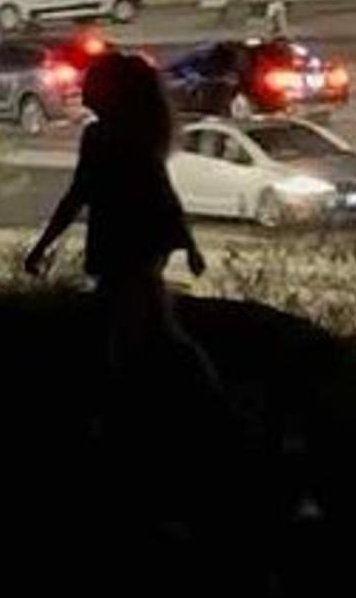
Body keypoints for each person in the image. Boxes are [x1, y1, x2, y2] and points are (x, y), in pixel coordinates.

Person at [24, 52, 214, 381]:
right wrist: (188, 245)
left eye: (92, 82)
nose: (83, 88)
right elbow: (163, 195)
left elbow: (78, 195)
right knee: (147, 328)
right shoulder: (132, 138)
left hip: (125, 249)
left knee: (137, 332)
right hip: (141, 248)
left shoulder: (105, 139)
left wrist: (42, 247)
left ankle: (188, 393)